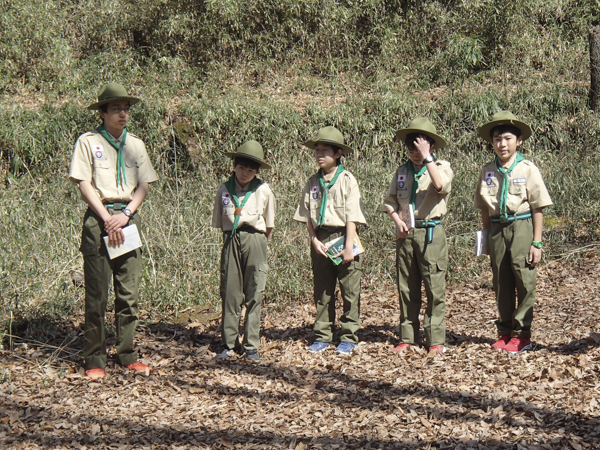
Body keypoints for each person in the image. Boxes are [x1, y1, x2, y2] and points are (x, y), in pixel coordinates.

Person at [69, 82, 158, 380]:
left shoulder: (136, 144)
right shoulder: (88, 141)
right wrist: (107, 217)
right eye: (116, 109)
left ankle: (127, 354)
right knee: (97, 295)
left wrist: (126, 214)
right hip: (99, 219)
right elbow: (84, 184)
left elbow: (144, 184)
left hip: (127, 219)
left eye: (126, 109)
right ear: (103, 112)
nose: (123, 114)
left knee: (128, 292)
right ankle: (94, 358)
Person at [474, 111, 552, 353]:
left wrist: (536, 242)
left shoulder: (527, 169)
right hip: (497, 228)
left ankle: (522, 334)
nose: (502, 144)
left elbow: (538, 206)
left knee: (523, 278)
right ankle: (504, 330)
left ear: (518, 141)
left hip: (522, 225)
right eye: (497, 139)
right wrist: (486, 238)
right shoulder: (488, 170)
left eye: (507, 138)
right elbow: (485, 208)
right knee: (501, 279)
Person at [294, 126, 367, 355]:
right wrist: (314, 240)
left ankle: (348, 336)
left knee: (349, 290)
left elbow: (353, 215)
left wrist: (348, 247)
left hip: (344, 237)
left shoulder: (347, 180)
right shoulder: (312, 182)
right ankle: (323, 335)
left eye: (325, 150)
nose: (319, 154)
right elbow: (306, 215)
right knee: (323, 290)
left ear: (337, 154)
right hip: (322, 239)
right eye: (316, 150)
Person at [382, 118, 453, 355]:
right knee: (407, 286)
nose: (415, 153)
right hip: (406, 233)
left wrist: (427, 157)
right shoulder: (402, 171)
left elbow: (440, 185)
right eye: (411, 148)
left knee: (434, 286)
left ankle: (435, 340)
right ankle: (407, 337)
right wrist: (397, 221)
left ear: (432, 146)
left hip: (430, 232)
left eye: (420, 147)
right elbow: (390, 202)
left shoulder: (441, 166)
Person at [211, 140, 275, 362]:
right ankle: (229, 343)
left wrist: (258, 244)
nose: (245, 173)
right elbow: (220, 223)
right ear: (234, 166)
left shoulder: (263, 190)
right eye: (241, 167)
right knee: (230, 293)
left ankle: (251, 346)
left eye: (250, 169)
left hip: (255, 239)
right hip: (231, 240)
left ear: (257, 171)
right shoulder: (224, 190)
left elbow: (269, 225)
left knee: (255, 292)